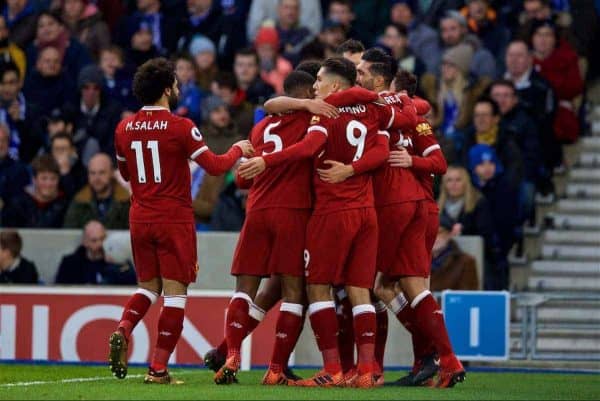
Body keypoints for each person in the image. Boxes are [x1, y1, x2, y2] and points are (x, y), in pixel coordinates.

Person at [239, 57, 413, 388]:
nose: (315, 86)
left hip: (332, 214)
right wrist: (388, 100)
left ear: (333, 85)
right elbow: (389, 139)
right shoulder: (373, 110)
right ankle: (365, 371)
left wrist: (266, 160)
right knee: (359, 290)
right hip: (366, 213)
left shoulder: (325, 110)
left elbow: (308, 148)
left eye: (319, 80)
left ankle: (332, 368)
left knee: (317, 287)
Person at [108, 57, 253, 384]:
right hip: (172, 219)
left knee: (147, 287)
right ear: (165, 90)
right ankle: (158, 369)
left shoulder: (123, 128)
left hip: (140, 216)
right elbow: (216, 166)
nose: (177, 89)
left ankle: (123, 328)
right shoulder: (181, 127)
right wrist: (238, 149)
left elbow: (125, 172)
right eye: (174, 84)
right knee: (174, 294)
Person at [211, 71, 319, 386]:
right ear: (306, 96)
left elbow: (243, 179)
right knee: (295, 294)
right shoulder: (309, 123)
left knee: (243, 290)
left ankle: (231, 353)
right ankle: (275, 369)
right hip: (292, 213)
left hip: (256, 211)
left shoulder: (260, 127)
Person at [468, 144, 519, 290]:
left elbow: (509, 220)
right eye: (481, 164)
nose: (487, 167)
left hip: (498, 252)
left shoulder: (504, 188)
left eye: (491, 163)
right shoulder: (469, 190)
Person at [55, 220, 136, 285]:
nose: (100, 244)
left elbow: (133, 285)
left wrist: (115, 269)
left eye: (103, 238)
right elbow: (59, 291)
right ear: (85, 242)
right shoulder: (70, 263)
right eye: (94, 240)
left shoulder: (118, 262)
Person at [63, 152, 130, 229]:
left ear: (112, 172)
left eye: (102, 172)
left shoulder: (126, 201)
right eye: (92, 173)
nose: (96, 178)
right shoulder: (79, 201)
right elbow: (68, 232)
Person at [2, 154, 69, 228]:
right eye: (44, 178)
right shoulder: (19, 204)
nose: (48, 184)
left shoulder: (64, 203)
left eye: (53, 179)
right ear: (34, 180)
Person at [429, 214, 479, 291]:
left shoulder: (466, 262)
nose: (434, 237)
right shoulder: (416, 261)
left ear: (450, 234)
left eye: (440, 232)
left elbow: (468, 297)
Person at [0, 122, 29, 208]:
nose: (0, 145)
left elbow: (21, 205)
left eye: (3, 140)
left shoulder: (19, 170)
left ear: (9, 143)